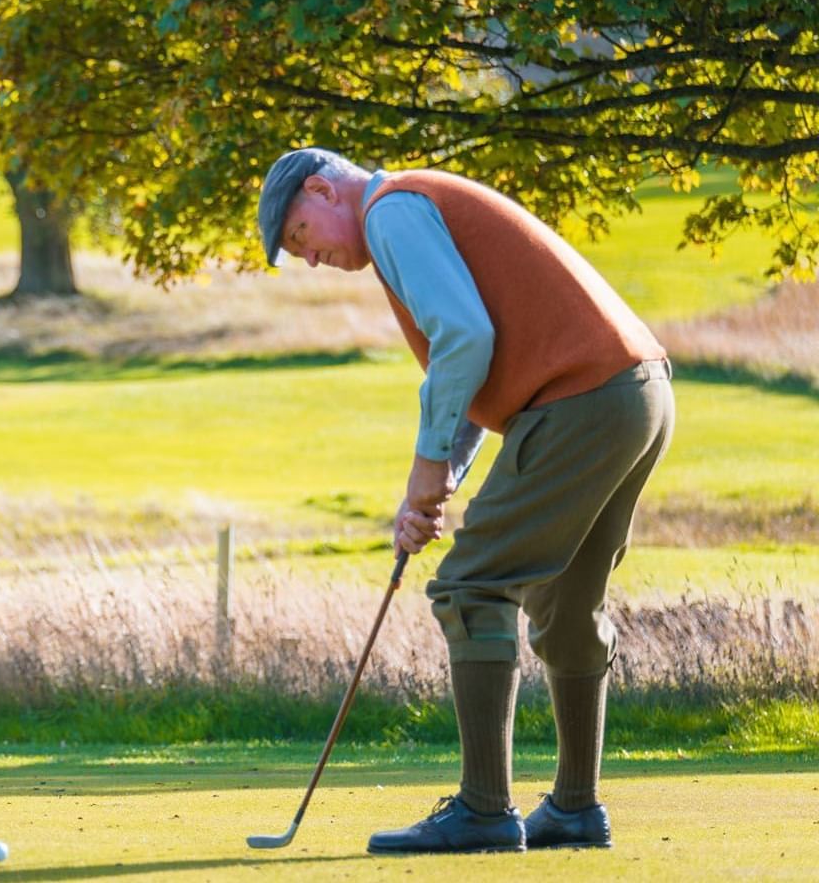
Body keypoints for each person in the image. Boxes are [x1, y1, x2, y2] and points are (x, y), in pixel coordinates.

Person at [255, 147, 675, 854]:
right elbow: (481, 370)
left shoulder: (389, 211)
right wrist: (439, 475)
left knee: (470, 584)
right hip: (637, 394)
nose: (309, 259)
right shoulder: (413, 210)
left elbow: (465, 338)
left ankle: (484, 809)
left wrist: (425, 462)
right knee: (566, 607)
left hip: (582, 398)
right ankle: (573, 810)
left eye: (301, 236)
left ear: (324, 190)